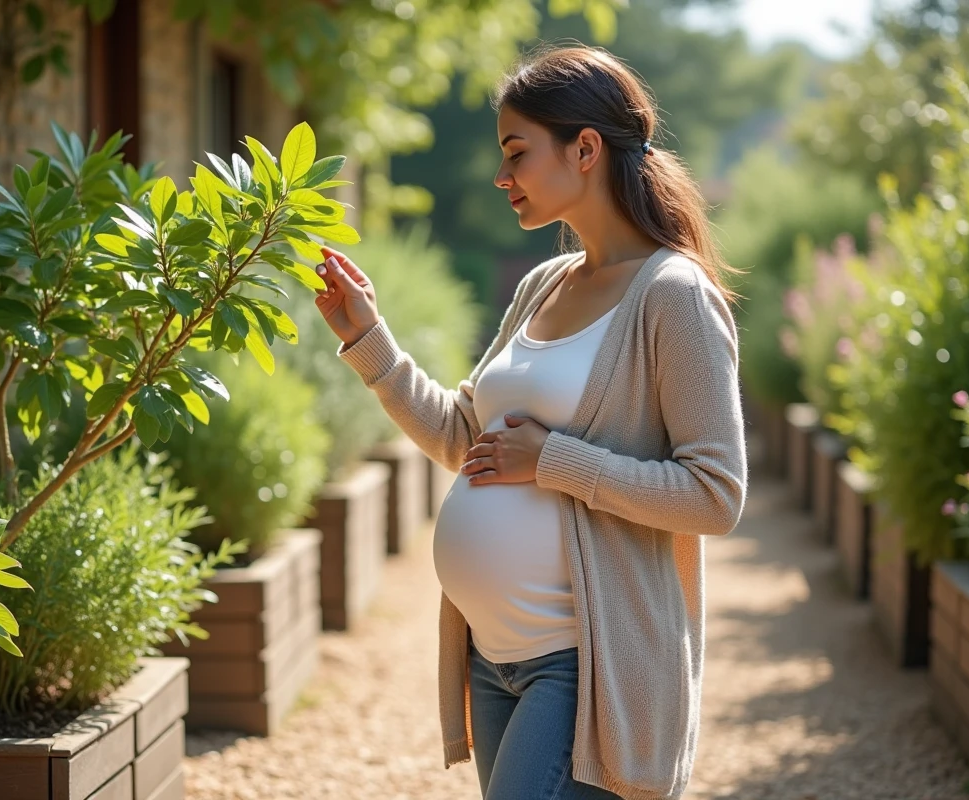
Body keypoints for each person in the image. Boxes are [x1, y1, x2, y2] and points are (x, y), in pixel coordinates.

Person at [313, 43, 747, 800]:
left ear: (585, 150)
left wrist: (555, 462)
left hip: (584, 664)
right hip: (492, 658)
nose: (500, 175)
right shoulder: (545, 282)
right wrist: (366, 337)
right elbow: (464, 439)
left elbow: (716, 494)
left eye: (517, 152)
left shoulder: (672, 295)